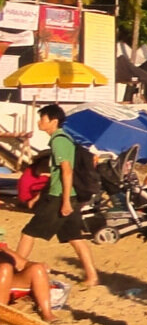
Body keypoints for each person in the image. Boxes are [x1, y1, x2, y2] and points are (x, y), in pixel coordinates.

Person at [15, 105, 98, 290]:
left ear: (53, 121)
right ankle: (92, 276)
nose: (39, 122)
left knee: (28, 233)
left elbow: (66, 171)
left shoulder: (59, 140)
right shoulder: (62, 139)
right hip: (66, 195)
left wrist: (66, 201)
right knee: (75, 237)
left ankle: (17, 269)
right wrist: (39, 196)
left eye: (42, 118)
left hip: (60, 197)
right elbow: (57, 174)